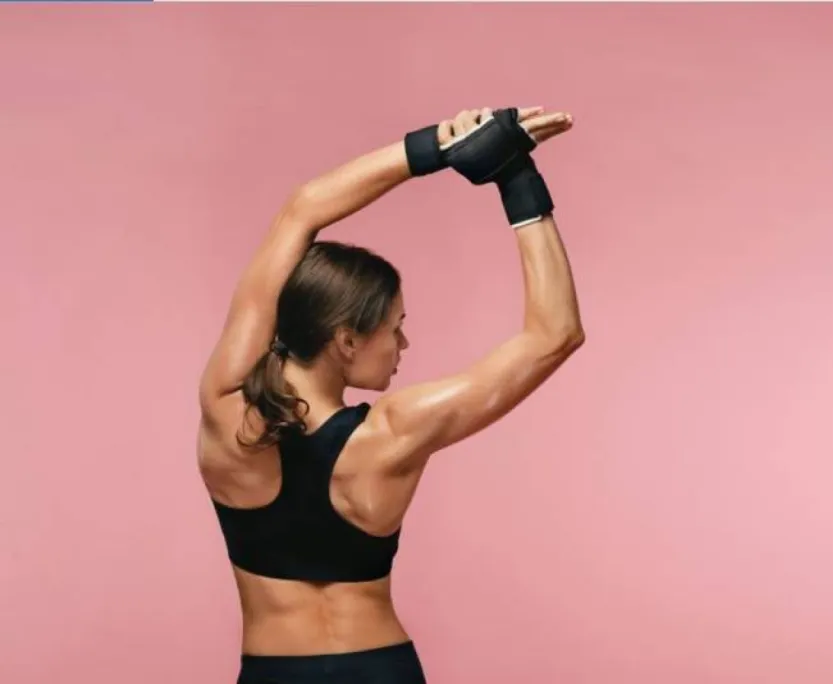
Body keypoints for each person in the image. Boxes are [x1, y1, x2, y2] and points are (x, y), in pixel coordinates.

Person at [196, 105, 583, 683]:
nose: (404, 341)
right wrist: (513, 177)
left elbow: (300, 210)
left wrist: (432, 147)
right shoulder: (394, 431)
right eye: (395, 326)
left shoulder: (225, 410)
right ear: (346, 340)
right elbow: (555, 334)